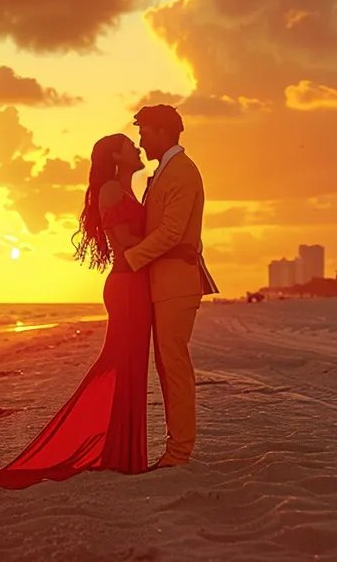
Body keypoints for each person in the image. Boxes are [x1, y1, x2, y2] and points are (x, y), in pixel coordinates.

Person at [0, 132, 197, 490]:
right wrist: (172, 247)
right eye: (130, 145)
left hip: (138, 289)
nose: (138, 148)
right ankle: (109, 452)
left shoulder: (135, 189)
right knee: (118, 367)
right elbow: (126, 245)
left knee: (131, 372)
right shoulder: (112, 191)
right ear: (116, 155)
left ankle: (123, 455)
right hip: (126, 288)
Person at [122, 104, 218, 468]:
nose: (141, 140)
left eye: (145, 133)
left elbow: (171, 233)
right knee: (167, 366)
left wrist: (130, 260)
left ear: (162, 132)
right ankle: (175, 446)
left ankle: (179, 451)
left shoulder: (182, 172)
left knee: (174, 366)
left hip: (177, 283)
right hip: (163, 283)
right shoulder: (166, 171)